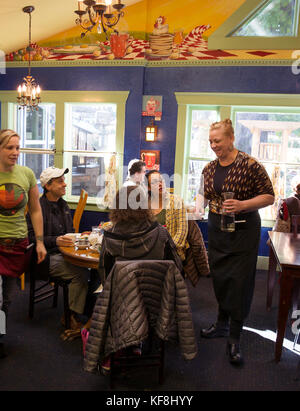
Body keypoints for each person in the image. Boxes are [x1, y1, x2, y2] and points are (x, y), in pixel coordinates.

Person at [200, 119, 274, 366]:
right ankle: (221, 324)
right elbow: (203, 195)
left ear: (231, 138)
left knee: (239, 283)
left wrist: (243, 204)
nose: (213, 145)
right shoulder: (209, 168)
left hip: (243, 232)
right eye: (210, 141)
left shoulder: (250, 165)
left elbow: (269, 196)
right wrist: (195, 206)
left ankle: (234, 336)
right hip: (218, 230)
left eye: (217, 141)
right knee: (220, 278)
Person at [0, 129, 47, 359]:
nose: (15, 152)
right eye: (10, 147)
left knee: (7, 298)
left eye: (18, 147)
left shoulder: (27, 174)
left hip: (17, 243)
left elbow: (36, 211)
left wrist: (39, 242)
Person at [26, 166, 89, 333]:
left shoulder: (64, 205)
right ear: (48, 186)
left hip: (63, 255)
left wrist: (80, 237)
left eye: (64, 181)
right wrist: (56, 240)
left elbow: (70, 233)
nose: (65, 184)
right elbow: (30, 238)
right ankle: (70, 317)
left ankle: (86, 314)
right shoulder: (36, 207)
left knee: (92, 270)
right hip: (44, 259)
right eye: (60, 181)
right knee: (81, 274)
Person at [98, 184, 183, 284]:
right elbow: (177, 267)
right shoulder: (161, 232)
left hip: (122, 295)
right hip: (157, 293)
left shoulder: (109, 237)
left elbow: (104, 274)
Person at [145, 170, 188, 262]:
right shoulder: (144, 204)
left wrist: (167, 248)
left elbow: (182, 231)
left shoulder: (176, 201)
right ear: (148, 188)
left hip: (171, 253)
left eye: (161, 180)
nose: (160, 183)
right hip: (149, 252)